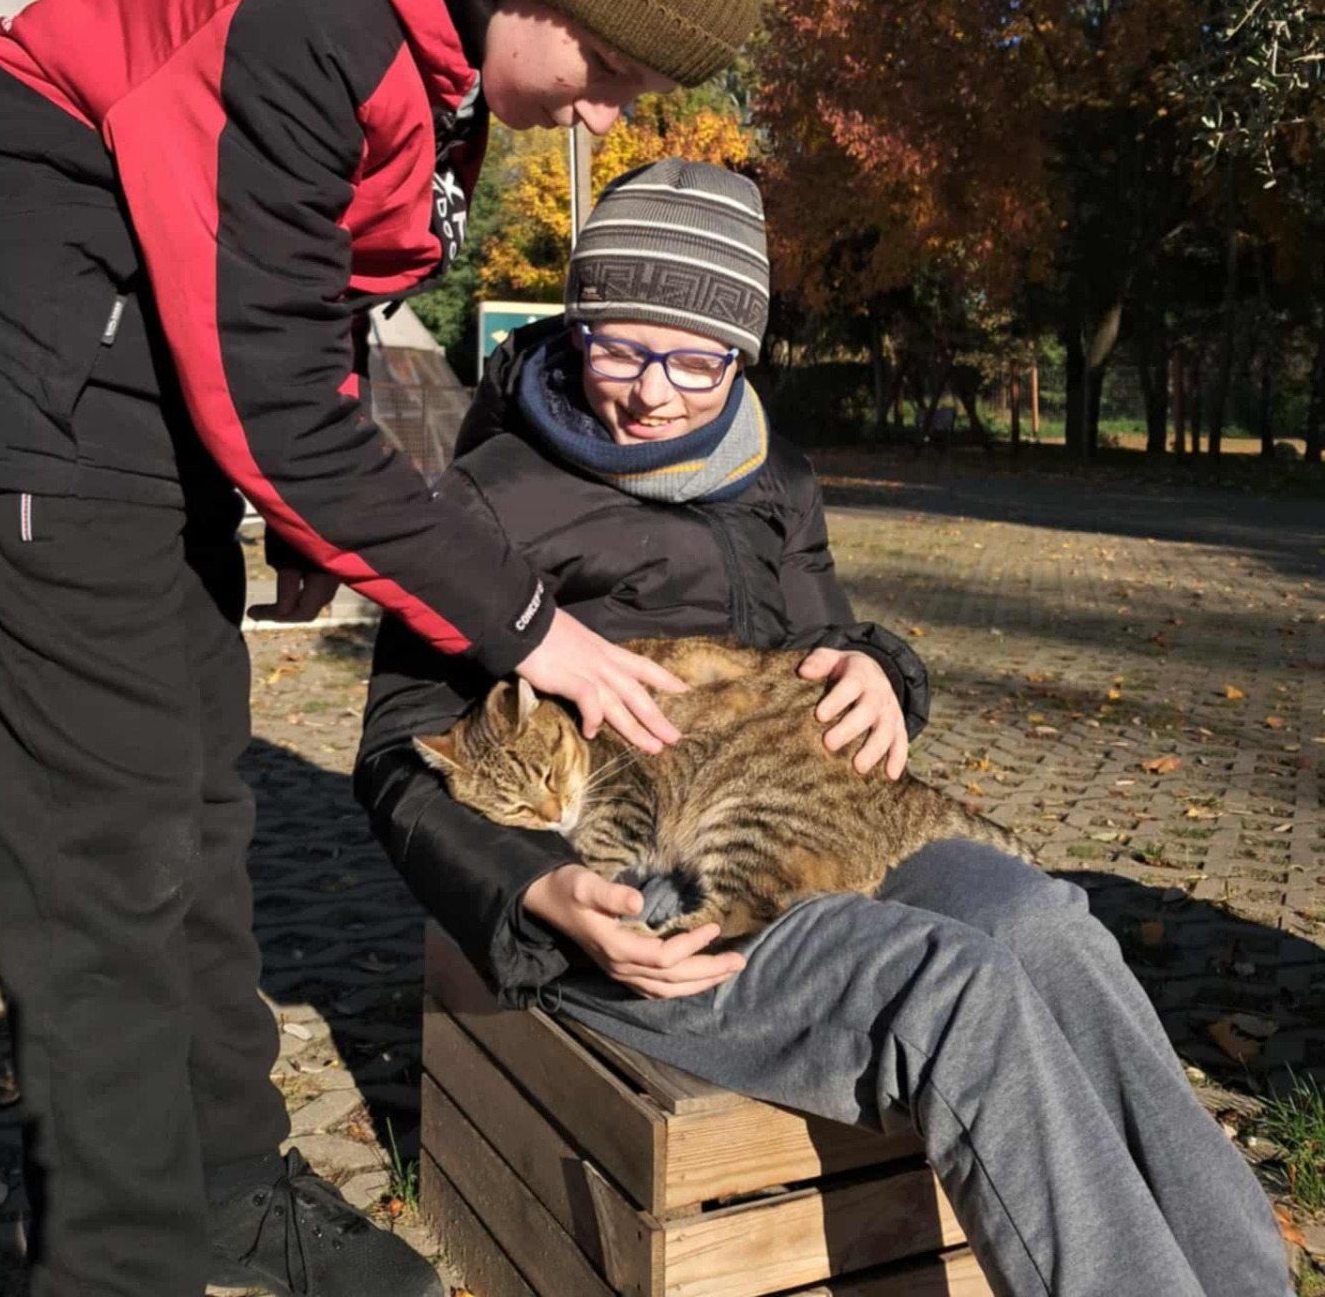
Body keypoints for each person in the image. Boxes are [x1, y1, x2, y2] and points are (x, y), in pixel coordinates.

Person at [0, 0, 773, 1297]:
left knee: (203, 803)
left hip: (139, 366)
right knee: (107, 850)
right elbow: (276, 397)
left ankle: (230, 1188)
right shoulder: (319, 10)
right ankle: (121, 1261)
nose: (609, 115)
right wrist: (531, 627)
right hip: (28, 366)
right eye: (613, 69)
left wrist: (318, 509)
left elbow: (315, 294)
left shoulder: (439, 47)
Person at [358, 158, 1292, 1297]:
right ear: (576, 321)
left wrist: (886, 669)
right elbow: (397, 751)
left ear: (744, 354)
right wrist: (527, 893)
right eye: (619, 346)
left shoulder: (772, 473)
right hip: (633, 889)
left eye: (697, 360)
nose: (652, 392)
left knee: (1054, 929)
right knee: (956, 990)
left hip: (814, 820)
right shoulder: (487, 497)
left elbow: (827, 641)